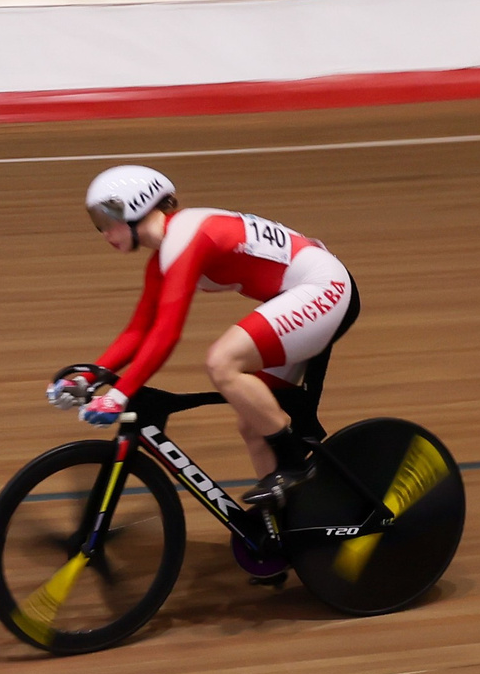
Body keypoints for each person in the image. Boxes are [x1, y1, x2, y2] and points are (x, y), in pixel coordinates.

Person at [48, 165, 357, 509]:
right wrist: (89, 376)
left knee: (222, 361)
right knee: (254, 423)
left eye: (106, 220)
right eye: (97, 224)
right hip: (297, 294)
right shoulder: (165, 255)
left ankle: (292, 466)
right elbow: (138, 331)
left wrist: (119, 396)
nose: (103, 232)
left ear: (136, 207)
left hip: (324, 287)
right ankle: (287, 531)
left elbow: (166, 334)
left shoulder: (187, 236)